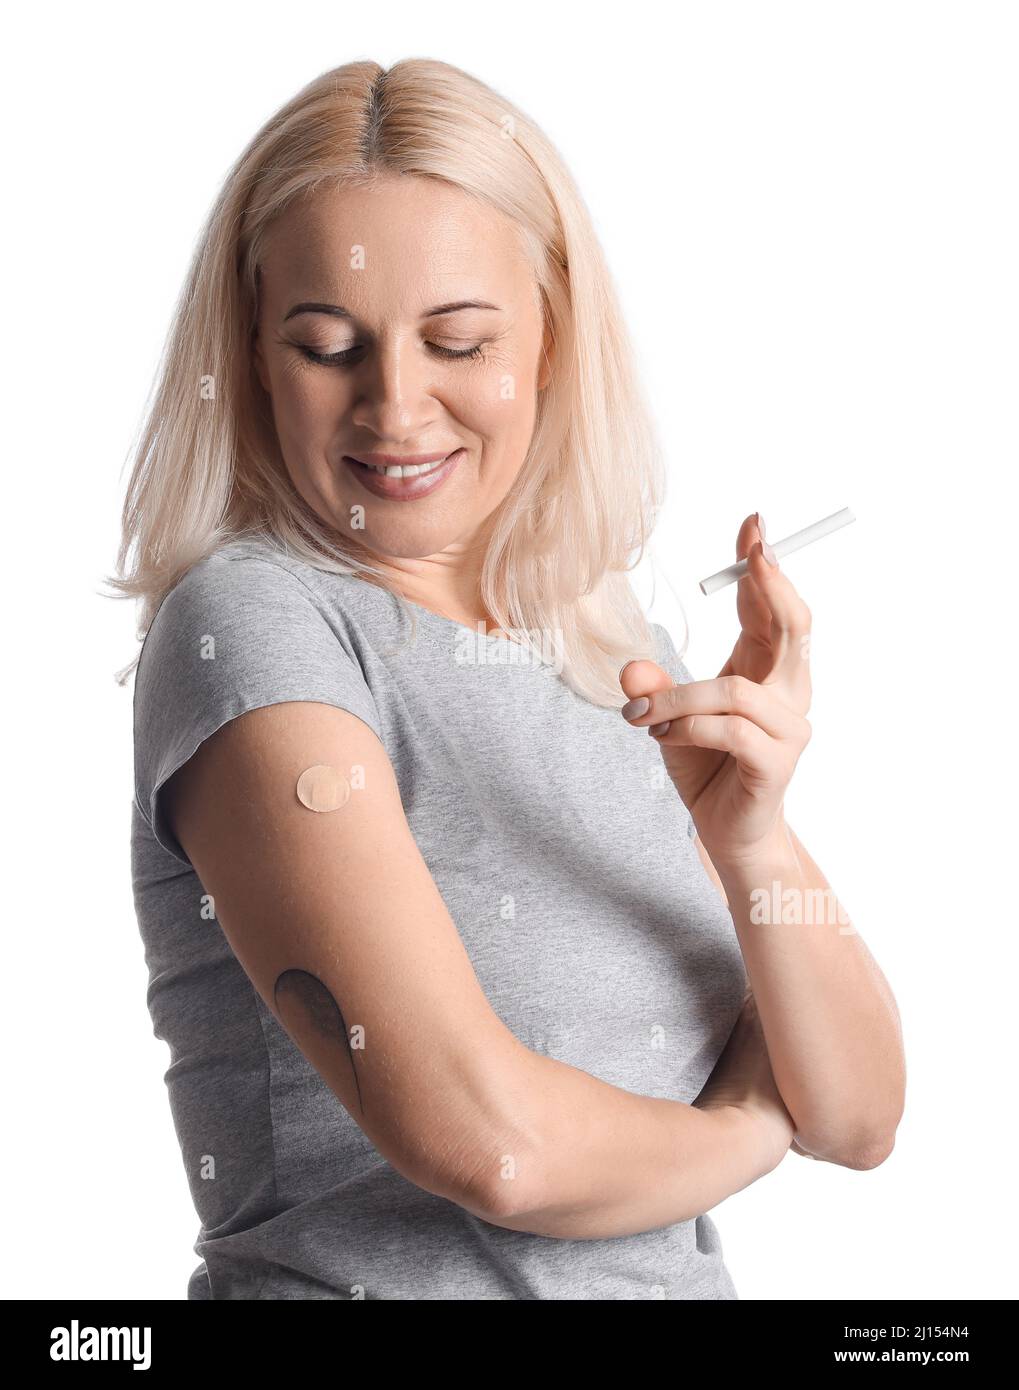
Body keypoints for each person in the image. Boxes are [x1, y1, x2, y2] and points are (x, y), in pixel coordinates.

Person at [111, 57, 905, 1301]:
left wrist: (752, 839)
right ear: (254, 359)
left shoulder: (597, 627)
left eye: (457, 341)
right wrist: (751, 1133)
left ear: (549, 339)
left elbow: (855, 1116)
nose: (396, 406)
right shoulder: (259, 624)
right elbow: (488, 1142)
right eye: (326, 347)